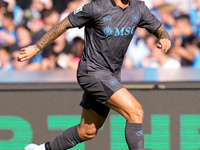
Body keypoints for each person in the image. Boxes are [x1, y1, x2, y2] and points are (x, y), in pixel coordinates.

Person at [18, 0, 171, 149]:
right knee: (136, 112)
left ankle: (42, 148)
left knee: (87, 131)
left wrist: (164, 37)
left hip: (110, 75)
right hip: (91, 72)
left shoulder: (139, 8)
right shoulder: (96, 7)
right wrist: (37, 47)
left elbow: (159, 29)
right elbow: (64, 24)